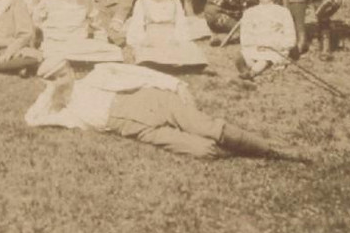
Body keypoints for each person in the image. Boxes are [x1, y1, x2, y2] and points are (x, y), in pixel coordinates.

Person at [24, 59, 307, 161]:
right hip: (138, 130)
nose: (61, 81)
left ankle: (274, 150)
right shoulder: (67, 113)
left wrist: (173, 84)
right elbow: (32, 120)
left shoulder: (98, 75)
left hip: (150, 100)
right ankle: (246, 149)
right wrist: (49, 90)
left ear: (71, 71)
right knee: (203, 151)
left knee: (206, 127)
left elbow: (138, 73)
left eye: (62, 74)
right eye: (53, 78)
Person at [32, 0, 125, 69]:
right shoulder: (47, 3)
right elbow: (36, 22)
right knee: (53, 53)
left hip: (78, 44)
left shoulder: (86, 2)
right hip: (55, 44)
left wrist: (101, 42)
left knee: (114, 51)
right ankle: (67, 60)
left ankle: (69, 60)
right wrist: (43, 36)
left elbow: (98, 27)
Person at [124, 0, 209, 70]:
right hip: (152, 37)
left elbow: (180, 22)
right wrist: (143, 39)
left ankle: (183, 63)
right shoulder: (143, 3)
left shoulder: (172, 0)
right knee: (148, 53)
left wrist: (178, 38)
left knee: (187, 50)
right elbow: (137, 25)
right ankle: (157, 63)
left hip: (171, 36)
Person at [233, 0, 297, 80]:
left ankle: (252, 73)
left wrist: (276, 45)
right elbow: (245, 35)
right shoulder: (250, 12)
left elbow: (290, 36)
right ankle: (253, 70)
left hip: (275, 49)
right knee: (241, 56)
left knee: (266, 59)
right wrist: (255, 44)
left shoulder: (282, 11)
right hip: (256, 47)